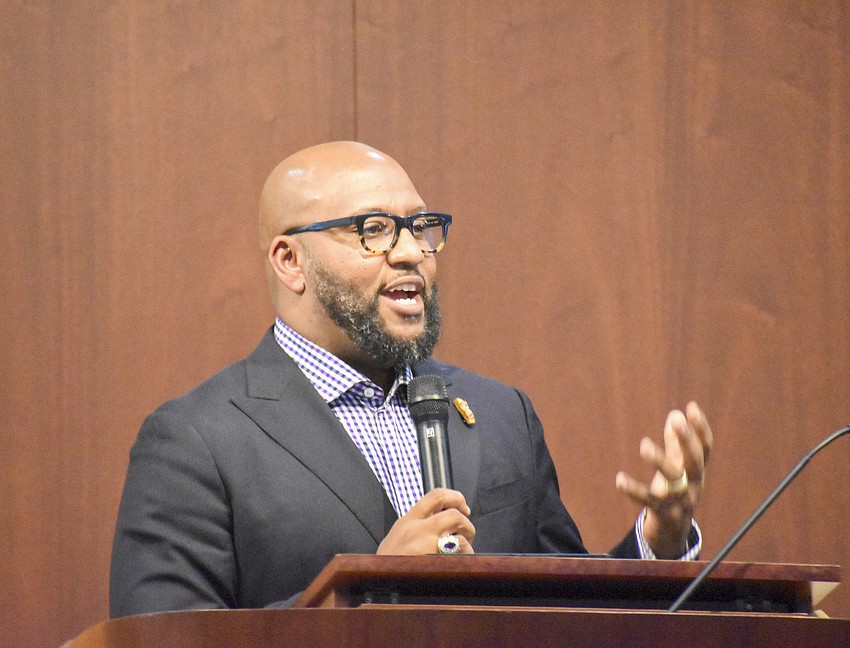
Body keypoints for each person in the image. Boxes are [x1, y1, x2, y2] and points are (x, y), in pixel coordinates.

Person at [109, 141, 713, 617]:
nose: (410, 253)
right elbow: (165, 636)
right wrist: (361, 593)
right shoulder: (195, 440)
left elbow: (570, 615)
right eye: (372, 229)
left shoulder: (501, 414)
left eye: (420, 227)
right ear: (290, 261)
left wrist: (658, 543)